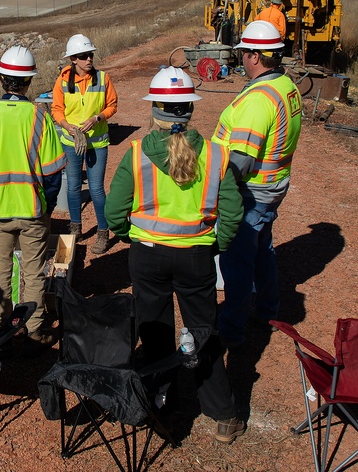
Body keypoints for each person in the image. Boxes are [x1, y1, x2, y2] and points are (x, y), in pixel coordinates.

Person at [105, 67, 246, 444]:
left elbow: (114, 213)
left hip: (147, 256)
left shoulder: (136, 155)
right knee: (204, 333)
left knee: (155, 333)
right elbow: (232, 213)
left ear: (154, 110)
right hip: (196, 258)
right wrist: (216, 245)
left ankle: (161, 406)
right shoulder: (216, 154)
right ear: (189, 110)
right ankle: (223, 415)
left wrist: (131, 237)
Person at [0, 46, 66, 345]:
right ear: (29, 82)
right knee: (34, 274)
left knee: (1, 274)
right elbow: (53, 173)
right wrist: (45, 207)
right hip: (33, 211)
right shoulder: (39, 117)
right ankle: (34, 329)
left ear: (0, 79)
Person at [211, 21, 302, 347]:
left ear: (253, 56)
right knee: (262, 250)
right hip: (272, 186)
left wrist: (215, 186)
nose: (241, 60)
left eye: (244, 53)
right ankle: (266, 311)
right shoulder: (285, 86)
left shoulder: (259, 100)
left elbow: (242, 161)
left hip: (251, 190)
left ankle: (231, 329)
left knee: (235, 262)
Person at [51, 33, 118, 255]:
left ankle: (102, 232)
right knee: (73, 186)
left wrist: (97, 118)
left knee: (97, 189)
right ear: (73, 59)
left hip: (97, 143)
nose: (89, 59)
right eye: (83, 56)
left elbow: (112, 105)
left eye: (90, 55)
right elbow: (57, 109)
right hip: (70, 142)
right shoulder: (62, 81)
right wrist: (67, 126)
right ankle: (76, 227)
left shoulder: (103, 78)